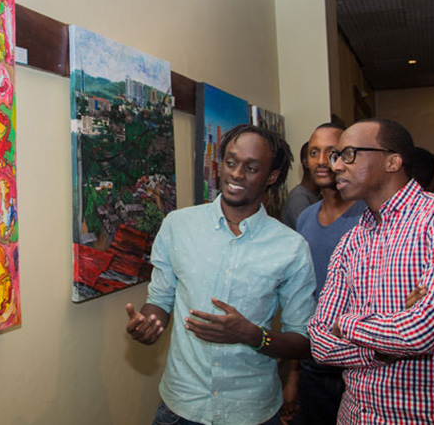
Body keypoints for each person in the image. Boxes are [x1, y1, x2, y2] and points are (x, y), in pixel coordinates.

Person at [126, 124, 316, 425]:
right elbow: (161, 300)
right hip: (181, 407)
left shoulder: (291, 248)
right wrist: (149, 324)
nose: (236, 175)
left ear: (272, 176)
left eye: (251, 168)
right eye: (230, 162)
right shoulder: (178, 226)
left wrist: (251, 335)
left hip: (252, 410)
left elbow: (303, 342)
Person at [308, 119, 434, 424]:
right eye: (336, 157)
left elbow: (419, 334)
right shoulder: (351, 240)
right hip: (354, 415)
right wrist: (377, 353)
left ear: (392, 161)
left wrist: (346, 323)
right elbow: (320, 344)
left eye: (347, 154)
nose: (335, 166)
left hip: (423, 416)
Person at [281, 123, 367, 425]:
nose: (321, 161)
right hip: (313, 365)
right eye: (314, 152)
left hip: (360, 366)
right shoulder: (305, 217)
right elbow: (301, 302)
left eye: (331, 153)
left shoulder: (368, 217)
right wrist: (293, 374)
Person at [282, 141, 320, 228]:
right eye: (314, 154)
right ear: (306, 162)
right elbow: (310, 235)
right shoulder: (299, 198)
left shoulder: (317, 195)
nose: (322, 161)